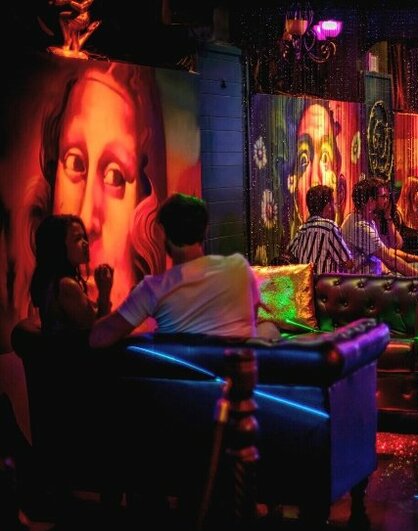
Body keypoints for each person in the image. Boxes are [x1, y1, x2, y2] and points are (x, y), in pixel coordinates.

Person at [31, 62, 168, 315]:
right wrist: (105, 293)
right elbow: (95, 335)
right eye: (74, 162)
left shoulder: (52, 283)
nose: (87, 220)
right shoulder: (67, 288)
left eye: (115, 176)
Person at [90, 194, 259, 348]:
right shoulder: (239, 267)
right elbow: (253, 316)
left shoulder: (151, 289)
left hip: (184, 378)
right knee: (268, 328)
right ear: (204, 230)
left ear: (162, 233)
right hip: (241, 375)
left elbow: (98, 338)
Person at [29, 214, 113, 342]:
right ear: (58, 246)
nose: (85, 243)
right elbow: (100, 335)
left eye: (84, 237)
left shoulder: (57, 280)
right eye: (77, 239)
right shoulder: (66, 285)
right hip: (72, 361)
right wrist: (105, 291)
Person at [340, 178, 418, 276]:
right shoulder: (361, 226)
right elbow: (389, 258)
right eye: (383, 197)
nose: (387, 201)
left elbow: (396, 245)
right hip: (368, 283)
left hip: (376, 275)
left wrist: (387, 216)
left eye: (387, 197)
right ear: (371, 200)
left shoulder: (365, 219)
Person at [288, 102, 345, 231]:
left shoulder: (299, 237)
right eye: (304, 160)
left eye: (325, 158)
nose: (315, 179)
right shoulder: (330, 233)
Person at [286, 184, 353, 274]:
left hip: (306, 285)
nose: (335, 208)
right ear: (328, 206)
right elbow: (348, 263)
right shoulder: (329, 227)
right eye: (333, 203)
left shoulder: (302, 228)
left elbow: (289, 253)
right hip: (323, 286)